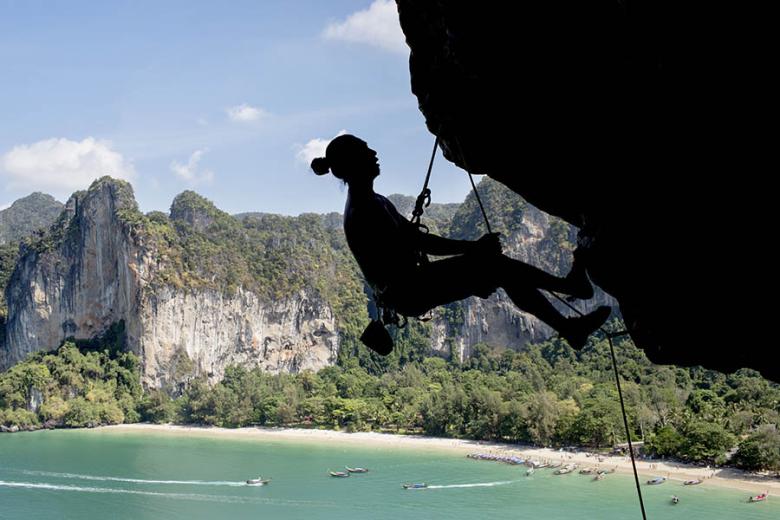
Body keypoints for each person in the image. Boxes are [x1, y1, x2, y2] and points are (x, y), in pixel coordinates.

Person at [311, 134, 610, 352]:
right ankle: (569, 295)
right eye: (365, 150)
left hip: (409, 287)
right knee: (494, 265)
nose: (374, 152)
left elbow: (415, 240)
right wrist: (473, 248)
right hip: (410, 290)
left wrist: (472, 250)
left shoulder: (373, 200)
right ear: (352, 164)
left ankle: (570, 321)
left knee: (498, 270)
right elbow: (421, 242)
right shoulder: (365, 207)